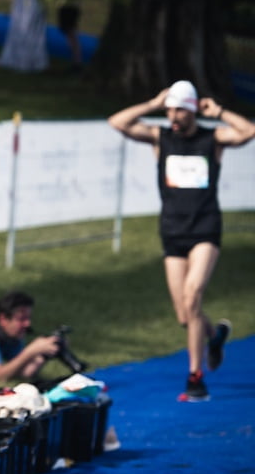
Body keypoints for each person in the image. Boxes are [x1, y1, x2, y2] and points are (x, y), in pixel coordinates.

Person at [108, 80, 255, 401]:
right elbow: (117, 122)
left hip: (205, 230)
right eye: (170, 109)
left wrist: (220, 112)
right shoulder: (160, 137)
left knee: (193, 295)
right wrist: (152, 102)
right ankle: (214, 336)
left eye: (179, 109)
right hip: (173, 232)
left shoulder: (212, 138)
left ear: (192, 111)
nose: (173, 115)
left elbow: (248, 132)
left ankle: (195, 377)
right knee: (184, 316)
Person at [0, 0, 48, 72]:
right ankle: (20, 60)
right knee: (22, 28)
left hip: (30, 1)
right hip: (26, 0)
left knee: (28, 29)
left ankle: (26, 61)